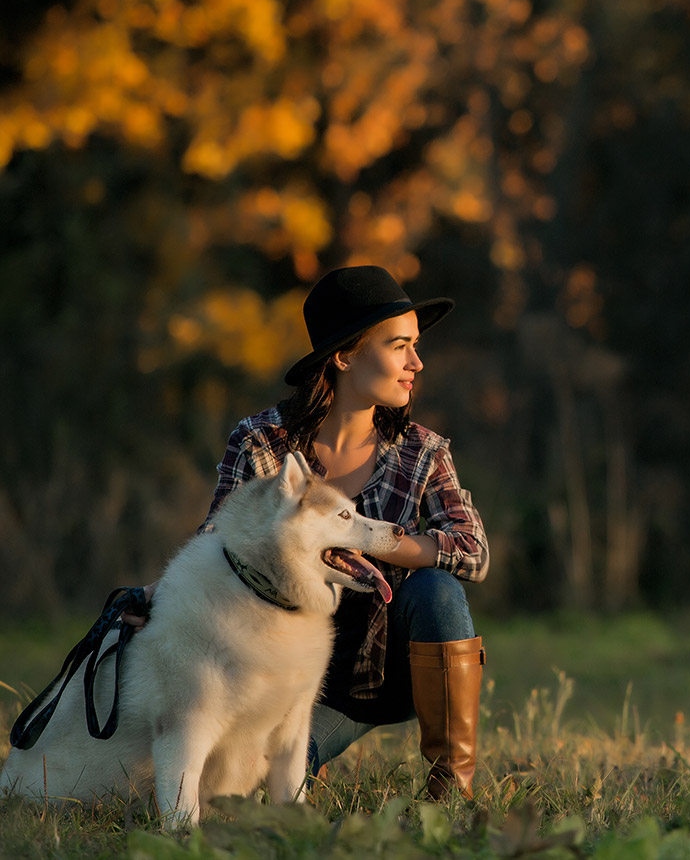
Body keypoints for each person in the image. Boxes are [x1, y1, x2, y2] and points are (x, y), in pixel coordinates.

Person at [133, 265, 489, 800]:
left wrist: (380, 541)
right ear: (344, 355)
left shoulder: (423, 450)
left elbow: (473, 551)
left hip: (376, 674)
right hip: (277, 671)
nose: (417, 362)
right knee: (251, 791)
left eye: (416, 345)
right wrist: (153, 599)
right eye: (399, 346)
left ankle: (451, 786)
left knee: (439, 589)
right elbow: (217, 541)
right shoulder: (262, 443)